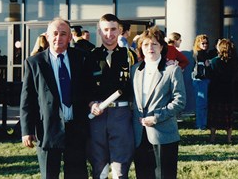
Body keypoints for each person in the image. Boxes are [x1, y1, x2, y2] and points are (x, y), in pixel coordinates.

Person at [20, 18, 88, 179]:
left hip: (76, 129)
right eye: (55, 34)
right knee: (49, 175)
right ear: (47, 36)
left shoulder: (82, 58)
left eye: (63, 34)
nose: (59, 38)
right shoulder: (34, 63)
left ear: (70, 37)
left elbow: (88, 90)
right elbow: (27, 99)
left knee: (77, 174)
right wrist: (26, 130)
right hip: (48, 129)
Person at [84, 13, 136, 179]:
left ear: (120, 30)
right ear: (99, 31)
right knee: (99, 166)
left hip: (121, 116)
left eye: (113, 29)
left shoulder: (129, 56)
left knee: (120, 167)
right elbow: (83, 86)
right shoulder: (90, 56)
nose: (109, 34)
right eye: (105, 30)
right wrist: (90, 103)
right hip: (97, 115)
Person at [131, 26, 186, 179]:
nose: (150, 48)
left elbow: (180, 101)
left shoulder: (172, 70)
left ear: (162, 47)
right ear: (141, 48)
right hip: (139, 135)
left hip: (163, 134)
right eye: (146, 44)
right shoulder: (135, 70)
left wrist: (156, 117)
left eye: (154, 44)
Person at [207, 39, 238, 143]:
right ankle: (229, 139)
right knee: (228, 117)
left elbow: (209, 75)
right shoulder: (234, 61)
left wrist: (207, 67)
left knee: (214, 116)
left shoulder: (214, 61)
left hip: (216, 91)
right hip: (228, 91)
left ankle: (212, 138)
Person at [192, 34, 211, 130]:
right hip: (201, 80)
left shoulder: (201, 53)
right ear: (198, 43)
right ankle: (201, 124)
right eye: (203, 43)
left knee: (202, 103)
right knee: (202, 104)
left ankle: (202, 123)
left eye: (206, 43)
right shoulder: (200, 53)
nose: (205, 45)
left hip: (201, 79)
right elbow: (202, 67)